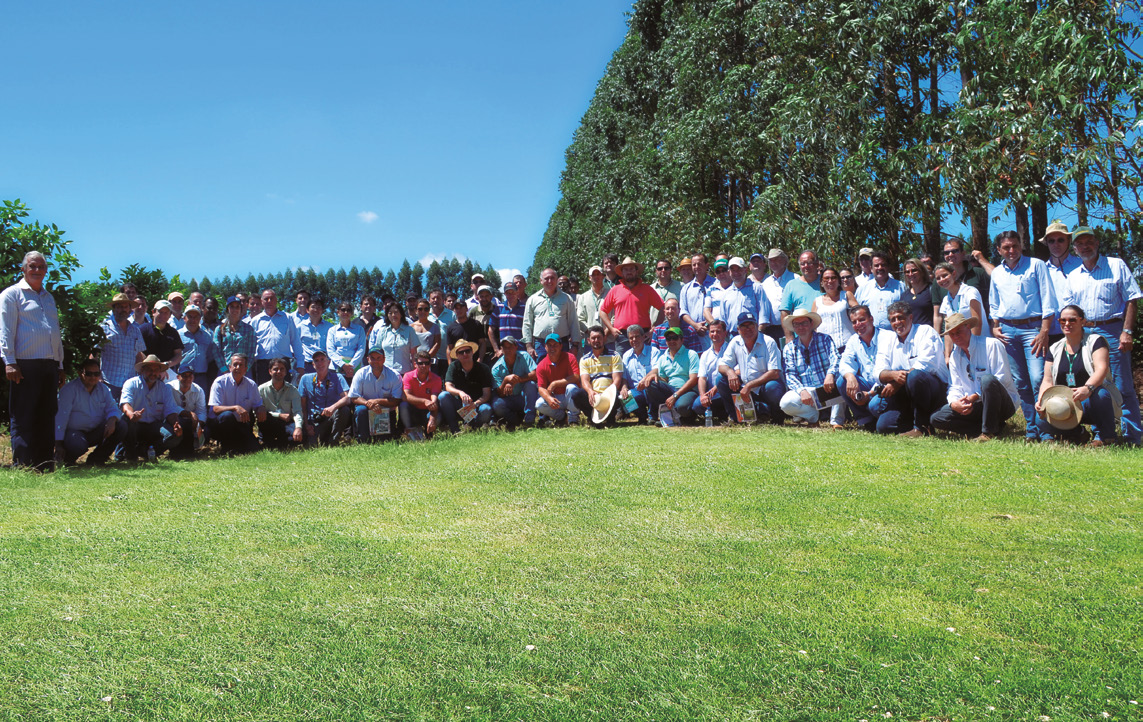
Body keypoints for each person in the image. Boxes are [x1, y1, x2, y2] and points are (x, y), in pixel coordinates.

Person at [1066, 226, 1141, 445]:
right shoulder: (1073, 276)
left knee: (1122, 385)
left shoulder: (1116, 265)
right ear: (1075, 248)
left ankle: (1133, 436)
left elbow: (1132, 299)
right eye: (1080, 243)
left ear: (1097, 243)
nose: (1085, 246)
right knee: (1093, 383)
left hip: (1113, 330)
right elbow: (1069, 310)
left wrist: (1127, 332)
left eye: (1089, 241)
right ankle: (1103, 434)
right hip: (1085, 335)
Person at [988, 230, 1058, 441]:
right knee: (1021, 382)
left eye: (1015, 246)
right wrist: (995, 326)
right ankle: (1031, 430)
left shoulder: (1036, 265)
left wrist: (1044, 331)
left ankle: (1046, 430)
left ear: (1021, 246)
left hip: (1033, 329)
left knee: (1038, 379)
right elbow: (994, 302)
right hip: (1008, 331)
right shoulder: (997, 273)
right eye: (1006, 247)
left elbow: (1048, 300)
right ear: (999, 250)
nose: (1011, 250)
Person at [1, 251, 65, 470]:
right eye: (32, 266)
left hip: (49, 364)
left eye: (41, 267)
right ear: (23, 269)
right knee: (23, 415)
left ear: (46, 270)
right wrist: (9, 362)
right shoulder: (12, 294)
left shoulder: (49, 297)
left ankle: (44, 464)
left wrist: (60, 365)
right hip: (24, 364)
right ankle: (23, 465)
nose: (37, 270)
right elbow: (6, 331)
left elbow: (54, 333)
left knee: (47, 415)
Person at [1035, 304, 1121, 446]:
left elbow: (1102, 368)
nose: (1067, 324)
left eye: (1072, 320)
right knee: (1040, 419)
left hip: (1090, 399)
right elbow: (1047, 380)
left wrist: (1088, 388)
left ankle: (1106, 437)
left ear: (1083, 321)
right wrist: (1041, 400)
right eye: (1063, 320)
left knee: (1101, 395)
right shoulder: (1055, 348)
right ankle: (1078, 434)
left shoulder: (1096, 341)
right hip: (1065, 402)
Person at [930, 313, 1019, 441]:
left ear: (968, 327)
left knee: (988, 380)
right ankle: (988, 428)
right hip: (974, 406)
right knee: (937, 418)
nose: (956, 337)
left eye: (958, 331)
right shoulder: (955, 355)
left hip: (1002, 403)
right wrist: (955, 403)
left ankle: (988, 432)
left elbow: (1002, 378)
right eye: (952, 334)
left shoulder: (991, 345)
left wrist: (975, 396)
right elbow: (954, 386)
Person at [872, 301, 950, 437]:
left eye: (900, 317)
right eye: (893, 319)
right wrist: (892, 374)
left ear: (910, 318)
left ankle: (921, 427)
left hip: (935, 392)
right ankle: (914, 423)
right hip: (907, 397)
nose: (897, 322)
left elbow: (926, 364)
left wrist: (897, 381)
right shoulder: (888, 341)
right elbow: (877, 372)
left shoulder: (925, 331)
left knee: (915, 376)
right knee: (883, 426)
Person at [54, 359, 126, 466]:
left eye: (96, 374)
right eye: (88, 374)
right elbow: (61, 418)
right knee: (78, 445)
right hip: (74, 434)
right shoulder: (69, 390)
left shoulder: (104, 389)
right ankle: (66, 459)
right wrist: (58, 444)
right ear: (80, 373)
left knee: (121, 425)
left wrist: (112, 420)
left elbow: (113, 408)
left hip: (96, 432)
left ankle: (97, 459)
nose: (93, 377)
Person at [121, 355, 194, 461]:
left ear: (160, 372)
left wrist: (175, 423)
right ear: (142, 370)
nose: (153, 373)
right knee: (126, 422)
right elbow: (125, 404)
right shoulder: (131, 383)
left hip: (154, 425)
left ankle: (148, 452)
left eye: (156, 370)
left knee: (175, 436)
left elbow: (170, 410)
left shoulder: (164, 388)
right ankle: (131, 455)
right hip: (136, 424)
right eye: (149, 370)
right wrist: (132, 414)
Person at [717, 311, 785, 423]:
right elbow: (722, 365)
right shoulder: (735, 341)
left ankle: (777, 417)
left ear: (757, 326)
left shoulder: (769, 342)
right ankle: (735, 418)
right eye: (744, 326)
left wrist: (750, 385)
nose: (748, 329)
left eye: (751, 325)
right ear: (738, 329)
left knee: (773, 387)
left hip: (764, 387)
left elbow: (774, 372)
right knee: (721, 380)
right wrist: (730, 372)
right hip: (745, 387)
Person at [779, 309, 843, 427]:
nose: (800, 327)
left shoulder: (825, 339)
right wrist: (801, 390)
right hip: (807, 392)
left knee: (841, 380)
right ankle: (813, 417)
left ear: (811, 324)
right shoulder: (789, 348)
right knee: (785, 403)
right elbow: (790, 375)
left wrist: (830, 374)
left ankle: (836, 422)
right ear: (793, 327)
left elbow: (836, 359)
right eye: (796, 324)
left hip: (827, 386)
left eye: (804, 323)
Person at [599, 256, 665, 356]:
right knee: (623, 367)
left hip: (643, 335)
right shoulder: (615, 290)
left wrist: (654, 328)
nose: (629, 272)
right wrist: (611, 329)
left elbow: (662, 307)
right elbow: (602, 311)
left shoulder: (647, 289)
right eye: (626, 269)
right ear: (622, 272)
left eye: (631, 269)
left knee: (645, 365)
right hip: (622, 336)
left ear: (636, 271)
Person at [838, 305, 887, 431]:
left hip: (885, 387)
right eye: (854, 322)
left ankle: (878, 417)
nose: (858, 324)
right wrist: (850, 376)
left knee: (875, 406)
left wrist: (870, 394)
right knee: (842, 381)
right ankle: (866, 420)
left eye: (862, 320)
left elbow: (888, 374)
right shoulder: (853, 340)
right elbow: (845, 362)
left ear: (871, 319)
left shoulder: (887, 338)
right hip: (867, 384)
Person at [208, 353, 266, 455]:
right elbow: (215, 409)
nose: (237, 368)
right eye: (235, 364)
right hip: (221, 425)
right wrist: (235, 408)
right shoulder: (220, 382)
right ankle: (226, 447)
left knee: (255, 449)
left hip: (241, 424)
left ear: (246, 369)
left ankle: (238, 444)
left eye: (241, 365)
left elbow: (258, 404)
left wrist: (261, 408)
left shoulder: (251, 385)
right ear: (230, 367)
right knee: (227, 416)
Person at [642, 327, 700, 424]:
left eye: (675, 338)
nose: (671, 341)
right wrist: (655, 377)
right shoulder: (663, 358)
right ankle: (667, 416)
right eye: (669, 338)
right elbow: (664, 379)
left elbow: (694, 379)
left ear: (682, 340)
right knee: (651, 384)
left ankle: (687, 416)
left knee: (682, 406)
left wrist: (676, 395)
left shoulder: (691, 354)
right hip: (671, 389)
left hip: (687, 390)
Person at [349, 346, 405, 442]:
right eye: (372, 358)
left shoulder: (394, 375)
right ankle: (363, 440)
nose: (375, 361)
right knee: (360, 410)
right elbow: (354, 397)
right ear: (368, 359)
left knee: (385, 441)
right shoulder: (360, 374)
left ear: (384, 359)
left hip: (386, 412)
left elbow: (396, 400)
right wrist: (368, 404)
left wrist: (377, 401)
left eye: (379, 358)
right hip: (366, 410)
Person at [523, 268, 580, 362]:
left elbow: (573, 322)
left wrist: (575, 346)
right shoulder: (533, 299)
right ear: (541, 281)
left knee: (563, 373)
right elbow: (527, 323)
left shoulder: (566, 298)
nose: (550, 281)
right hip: (541, 344)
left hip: (562, 343)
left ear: (557, 280)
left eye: (552, 278)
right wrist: (528, 346)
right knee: (542, 373)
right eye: (546, 278)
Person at [250, 289, 304, 385]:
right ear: (262, 302)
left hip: (284, 364)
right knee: (263, 396)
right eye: (266, 299)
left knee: (285, 396)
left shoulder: (287, 318)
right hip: (263, 365)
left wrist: (300, 365)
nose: (269, 301)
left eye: (272, 298)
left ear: (276, 300)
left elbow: (296, 342)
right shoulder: (255, 321)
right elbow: (251, 345)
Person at [298, 350, 352, 447]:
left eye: (322, 359)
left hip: (329, 418)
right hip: (313, 421)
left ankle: (334, 441)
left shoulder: (337, 377)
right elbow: (302, 405)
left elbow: (347, 398)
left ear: (329, 362)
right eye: (316, 360)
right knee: (312, 446)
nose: (320, 363)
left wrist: (333, 407)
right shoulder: (305, 379)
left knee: (344, 410)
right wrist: (306, 424)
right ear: (313, 364)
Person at [99, 292, 146, 401]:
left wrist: (139, 377)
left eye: (125, 307)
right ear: (114, 309)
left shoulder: (135, 330)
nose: (123, 309)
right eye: (119, 307)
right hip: (108, 382)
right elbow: (94, 354)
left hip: (129, 383)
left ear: (130, 309)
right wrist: (98, 378)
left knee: (127, 414)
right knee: (108, 415)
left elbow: (138, 355)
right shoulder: (104, 328)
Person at [933, 261, 985, 358]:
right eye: (938, 278)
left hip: (980, 346)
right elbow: (948, 330)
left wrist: (972, 348)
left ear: (953, 274)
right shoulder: (945, 300)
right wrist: (948, 355)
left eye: (945, 275)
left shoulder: (970, 292)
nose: (942, 280)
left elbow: (977, 322)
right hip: (962, 350)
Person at [440, 340, 494, 433]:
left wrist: (475, 404)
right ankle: (455, 430)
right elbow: (448, 386)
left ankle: (474, 428)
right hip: (459, 405)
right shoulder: (453, 366)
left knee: (486, 410)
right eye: (461, 352)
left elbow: (486, 394)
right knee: (443, 396)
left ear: (472, 352)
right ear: (457, 355)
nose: (465, 354)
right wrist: (460, 393)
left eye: (467, 351)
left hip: (477, 404)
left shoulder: (483, 368)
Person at [535, 333, 590, 425]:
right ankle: (562, 417)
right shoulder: (541, 365)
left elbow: (575, 376)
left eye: (555, 345)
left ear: (561, 346)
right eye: (550, 345)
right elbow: (541, 388)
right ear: (545, 347)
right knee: (539, 404)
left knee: (571, 387)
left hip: (570, 396)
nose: (552, 348)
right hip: (556, 397)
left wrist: (555, 383)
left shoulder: (570, 357)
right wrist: (549, 398)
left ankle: (573, 419)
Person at [1040, 221, 1080, 341]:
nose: (1056, 244)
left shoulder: (1081, 265)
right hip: (1049, 333)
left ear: (1069, 240)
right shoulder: (1041, 269)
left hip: (1076, 331)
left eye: (1060, 240)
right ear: (1047, 243)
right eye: (1051, 241)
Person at [579, 326, 624, 426]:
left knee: (619, 396)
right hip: (593, 396)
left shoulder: (615, 356)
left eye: (599, 337)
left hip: (610, 395)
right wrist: (591, 392)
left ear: (604, 338)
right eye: (593, 338)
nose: (596, 340)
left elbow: (617, 380)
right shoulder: (584, 359)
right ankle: (591, 417)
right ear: (588, 340)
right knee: (576, 395)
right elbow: (584, 381)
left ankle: (611, 417)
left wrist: (608, 394)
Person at [717, 257, 775, 336]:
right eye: (733, 270)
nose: (736, 272)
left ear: (745, 270)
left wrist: (757, 335)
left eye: (739, 269)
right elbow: (723, 320)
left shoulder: (756, 288)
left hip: (753, 334)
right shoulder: (726, 293)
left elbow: (764, 315)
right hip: (732, 336)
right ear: (729, 272)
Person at [932, 238, 990, 314]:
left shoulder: (978, 273)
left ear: (963, 253)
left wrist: (994, 323)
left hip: (979, 324)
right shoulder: (939, 281)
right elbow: (937, 315)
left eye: (954, 251)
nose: (950, 255)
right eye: (946, 253)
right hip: (951, 325)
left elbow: (992, 301)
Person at [490, 336, 537, 430]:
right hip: (508, 400)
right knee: (497, 404)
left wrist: (517, 380)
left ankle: (529, 421)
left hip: (523, 397)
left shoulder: (525, 356)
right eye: (505, 347)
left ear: (516, 347)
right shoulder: (496, 368)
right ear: (501, 349)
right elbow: (499, 393)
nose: (508, 350)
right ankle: (514, 421)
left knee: (531, 385)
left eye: (510, 347)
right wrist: (506, 380)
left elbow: (535, 375)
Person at [258, 357, 305, 449]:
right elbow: (258, 412)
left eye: (282, 369)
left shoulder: (293, 390)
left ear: (286, 372)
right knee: (266, 418)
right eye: (275, 369)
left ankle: (280, 442)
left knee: (300, 438)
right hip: (268, 423)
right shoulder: (261, 389)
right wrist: (278, 415)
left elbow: (297, 411)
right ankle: (269, 441)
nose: (278, 372)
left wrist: (298, 428)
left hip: (285, 423)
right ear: (270, 371)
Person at [779, 251, 824, 341]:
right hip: (801, 337)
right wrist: (789, 337)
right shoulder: (791, 285)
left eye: (809, 263)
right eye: (802, 264)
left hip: (825, 333)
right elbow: (784, 313)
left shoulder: (825, 282)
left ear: (817, 264)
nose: (806, 266)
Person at [619, 324, 658, 423]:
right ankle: (641, 415)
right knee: (623, 398)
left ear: (643, 337)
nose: (634, 340)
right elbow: (624, 377)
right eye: (631, 338)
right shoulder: (626, 356)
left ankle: (652, 416)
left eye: (637, 336)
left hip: (649, 387)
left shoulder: (653, 351)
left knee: (652, 386)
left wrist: (645, 379)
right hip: (636, 390)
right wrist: (623, 387)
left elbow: (656, 369)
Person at [811, 268, 856, 352]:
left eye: (833, 278)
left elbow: (859, 315)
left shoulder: (847, 295)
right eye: (826, 278)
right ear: (821, 283)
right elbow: (813, 327)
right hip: (824, 349)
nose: (830, 281)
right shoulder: (817, 301)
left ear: (839, 281)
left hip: (847, 346)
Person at [855, 251, 903, 330]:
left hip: (896, 337)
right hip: (871, 338)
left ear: (888, 267)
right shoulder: (862, 290)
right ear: (871, 268)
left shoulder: (900, 286)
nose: (880, 268)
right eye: (876, 265)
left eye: (883, 265)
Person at [369, 302, 419, 377]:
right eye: (390, 313)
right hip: (385, 373)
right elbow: (378, 352)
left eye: (396, 312)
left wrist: (415, 371)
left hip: (404, 372)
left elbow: (414, 353)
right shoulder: (382, 331)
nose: (393, 315)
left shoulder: (410, 330)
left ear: (401, 314)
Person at [695, 318, 730, 422]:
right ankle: (720, 415)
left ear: (725, 333)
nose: (715, 334)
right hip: (711, 394)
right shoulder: (705, 355)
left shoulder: (731, 350)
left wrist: (717, 387)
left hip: (727, 391)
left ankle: (728, 414)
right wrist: (702, 396)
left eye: (718, 331)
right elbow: (702, 378)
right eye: (712, 331)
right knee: (697, 405)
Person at [177, 303, 218, 392]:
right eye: (190, 316)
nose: (193, 320)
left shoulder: (207, 336)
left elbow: (209, 356)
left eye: (196, 317)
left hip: (201, 377)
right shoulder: (177, 335)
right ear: (184, 318)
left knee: (201, 403)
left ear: (200, 319)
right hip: (183, 376)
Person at [213, 295, 257, 377]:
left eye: (237, 307)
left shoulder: (249, 329)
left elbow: (251, 353)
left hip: (244, 373)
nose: (235, 309)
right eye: (232, 307)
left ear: (240, 309)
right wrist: (224, 370)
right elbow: (216, 352)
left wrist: (244, 370)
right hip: (224, 372)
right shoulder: (219, 329)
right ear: (227, 309)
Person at [327, 300, 368, 388]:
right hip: (336, 368)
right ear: (338, 312)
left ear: (352, 313)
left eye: (348, 310)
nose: (346, 312)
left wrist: (351, 366)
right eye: (343, 309)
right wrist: (343, 365)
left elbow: (361, 349)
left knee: (354, 396)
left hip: (355, 369)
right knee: (336, 396)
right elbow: (330, 350)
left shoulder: (359, 329)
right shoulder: (332, 330)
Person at [168, 363, 207, 454]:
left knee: (206, 432)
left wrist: (199, 424)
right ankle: (177, 451)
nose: (188, 379)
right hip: (174, 419)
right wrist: (189, 414)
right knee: (181, 424)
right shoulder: (169, 387)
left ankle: (190, 451)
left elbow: (202, 411)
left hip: (192, 421)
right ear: (178, 377)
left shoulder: (198, 390)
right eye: (184, 376)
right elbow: (171, 406)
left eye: (190, 376)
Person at [402, 350, 442, 436]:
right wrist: (424, 401)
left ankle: (429, 433)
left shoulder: (436, 379)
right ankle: (409, 433)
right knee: (403, 405)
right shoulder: (408, 376)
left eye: (426, 363)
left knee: (437, 418)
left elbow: (434, 400)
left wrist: (432, 418)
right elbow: (406, 396)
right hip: (413, 410)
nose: (423, 366)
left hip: (428, 410)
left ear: (430, 364)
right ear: (415, 364)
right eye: (420, 363)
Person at [761, 249, 797, 343]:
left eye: (776, 259)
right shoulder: (766, 283)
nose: (773, 263)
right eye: (771, 260)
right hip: (771, 330)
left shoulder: (795, 279)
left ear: (785, 260)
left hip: (793, 328)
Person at [680, 253, 715, 349]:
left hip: (712, 332)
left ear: (707, 265)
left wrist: (711, 325)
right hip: (693, 334)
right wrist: (696, 326)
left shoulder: (716, 284)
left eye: (699, 264)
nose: (696, 267)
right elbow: (683, 312)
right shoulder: (686, 289)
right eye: (694, 265)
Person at [141, 300, 184, 368]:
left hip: (167, 372)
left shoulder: (173, 333)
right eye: (160, 312)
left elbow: (178, 355)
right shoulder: (143, 330)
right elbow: (137, 351)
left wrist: (167, 364)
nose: (163, 315)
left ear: (170, 315)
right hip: (146, 369)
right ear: (153, 312)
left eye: (166, 312)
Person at [576, 266, 609, 350]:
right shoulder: (583, 297)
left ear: (603, 276)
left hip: (608, 340)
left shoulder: (611, 294)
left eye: (598, 274)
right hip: (590, 343)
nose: (596, 277)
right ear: (590, 278)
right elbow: (580, 319)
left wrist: (607, 331)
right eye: (593, 275)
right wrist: (591, 333)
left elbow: (616, 315)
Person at [297, 297, 333, 374]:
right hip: (306, 364)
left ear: (322, 310)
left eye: (319, 307)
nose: (316, 310)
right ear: (307, 310)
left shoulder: (330, 327)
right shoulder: (300, 327)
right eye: (313, 307)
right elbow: (296, 347)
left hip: (324, 365)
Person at [900, 258, 933, 328]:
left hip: (929, 335)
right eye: (907, 272)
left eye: (914, 270)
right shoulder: (904, 295)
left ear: (922, 271)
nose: (910, 274)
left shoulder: (932, 290)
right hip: (912, 336)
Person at [469, 286, 501, 358]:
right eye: (481, 296)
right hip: (477, 353)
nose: (484, 299)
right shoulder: (473, 312)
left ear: (491, 296)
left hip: (495, 352)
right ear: (477, 297)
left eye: (487, 296)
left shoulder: (498, 311)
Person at [649, 258, 682, 327]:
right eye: (660, 268)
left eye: (666, 268)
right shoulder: (650, 289)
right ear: (656, 271)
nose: (663, 270)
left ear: (671, 270)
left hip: (677, 328)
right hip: (656, 330)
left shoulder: (681, 286)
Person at [410, 298, 441, 363]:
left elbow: (437, 344)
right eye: (420, 309)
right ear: (416, 310)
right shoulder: (410, 327)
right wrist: (417, 361)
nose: (423, 312)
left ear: (429, 311)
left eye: (426, 309)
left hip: (430, 362)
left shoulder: (435, 327)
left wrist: (427, 358)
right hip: (415, 362)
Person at [497, 282, 525, 350]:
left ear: (517, 292)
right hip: (504, 350)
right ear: (504, 294)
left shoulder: (525, 308)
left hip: (520, 349)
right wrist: (496, 350)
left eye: (513, 292)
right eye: (508, 293)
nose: (510, 295)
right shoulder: (498, 308)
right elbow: (491, 330)